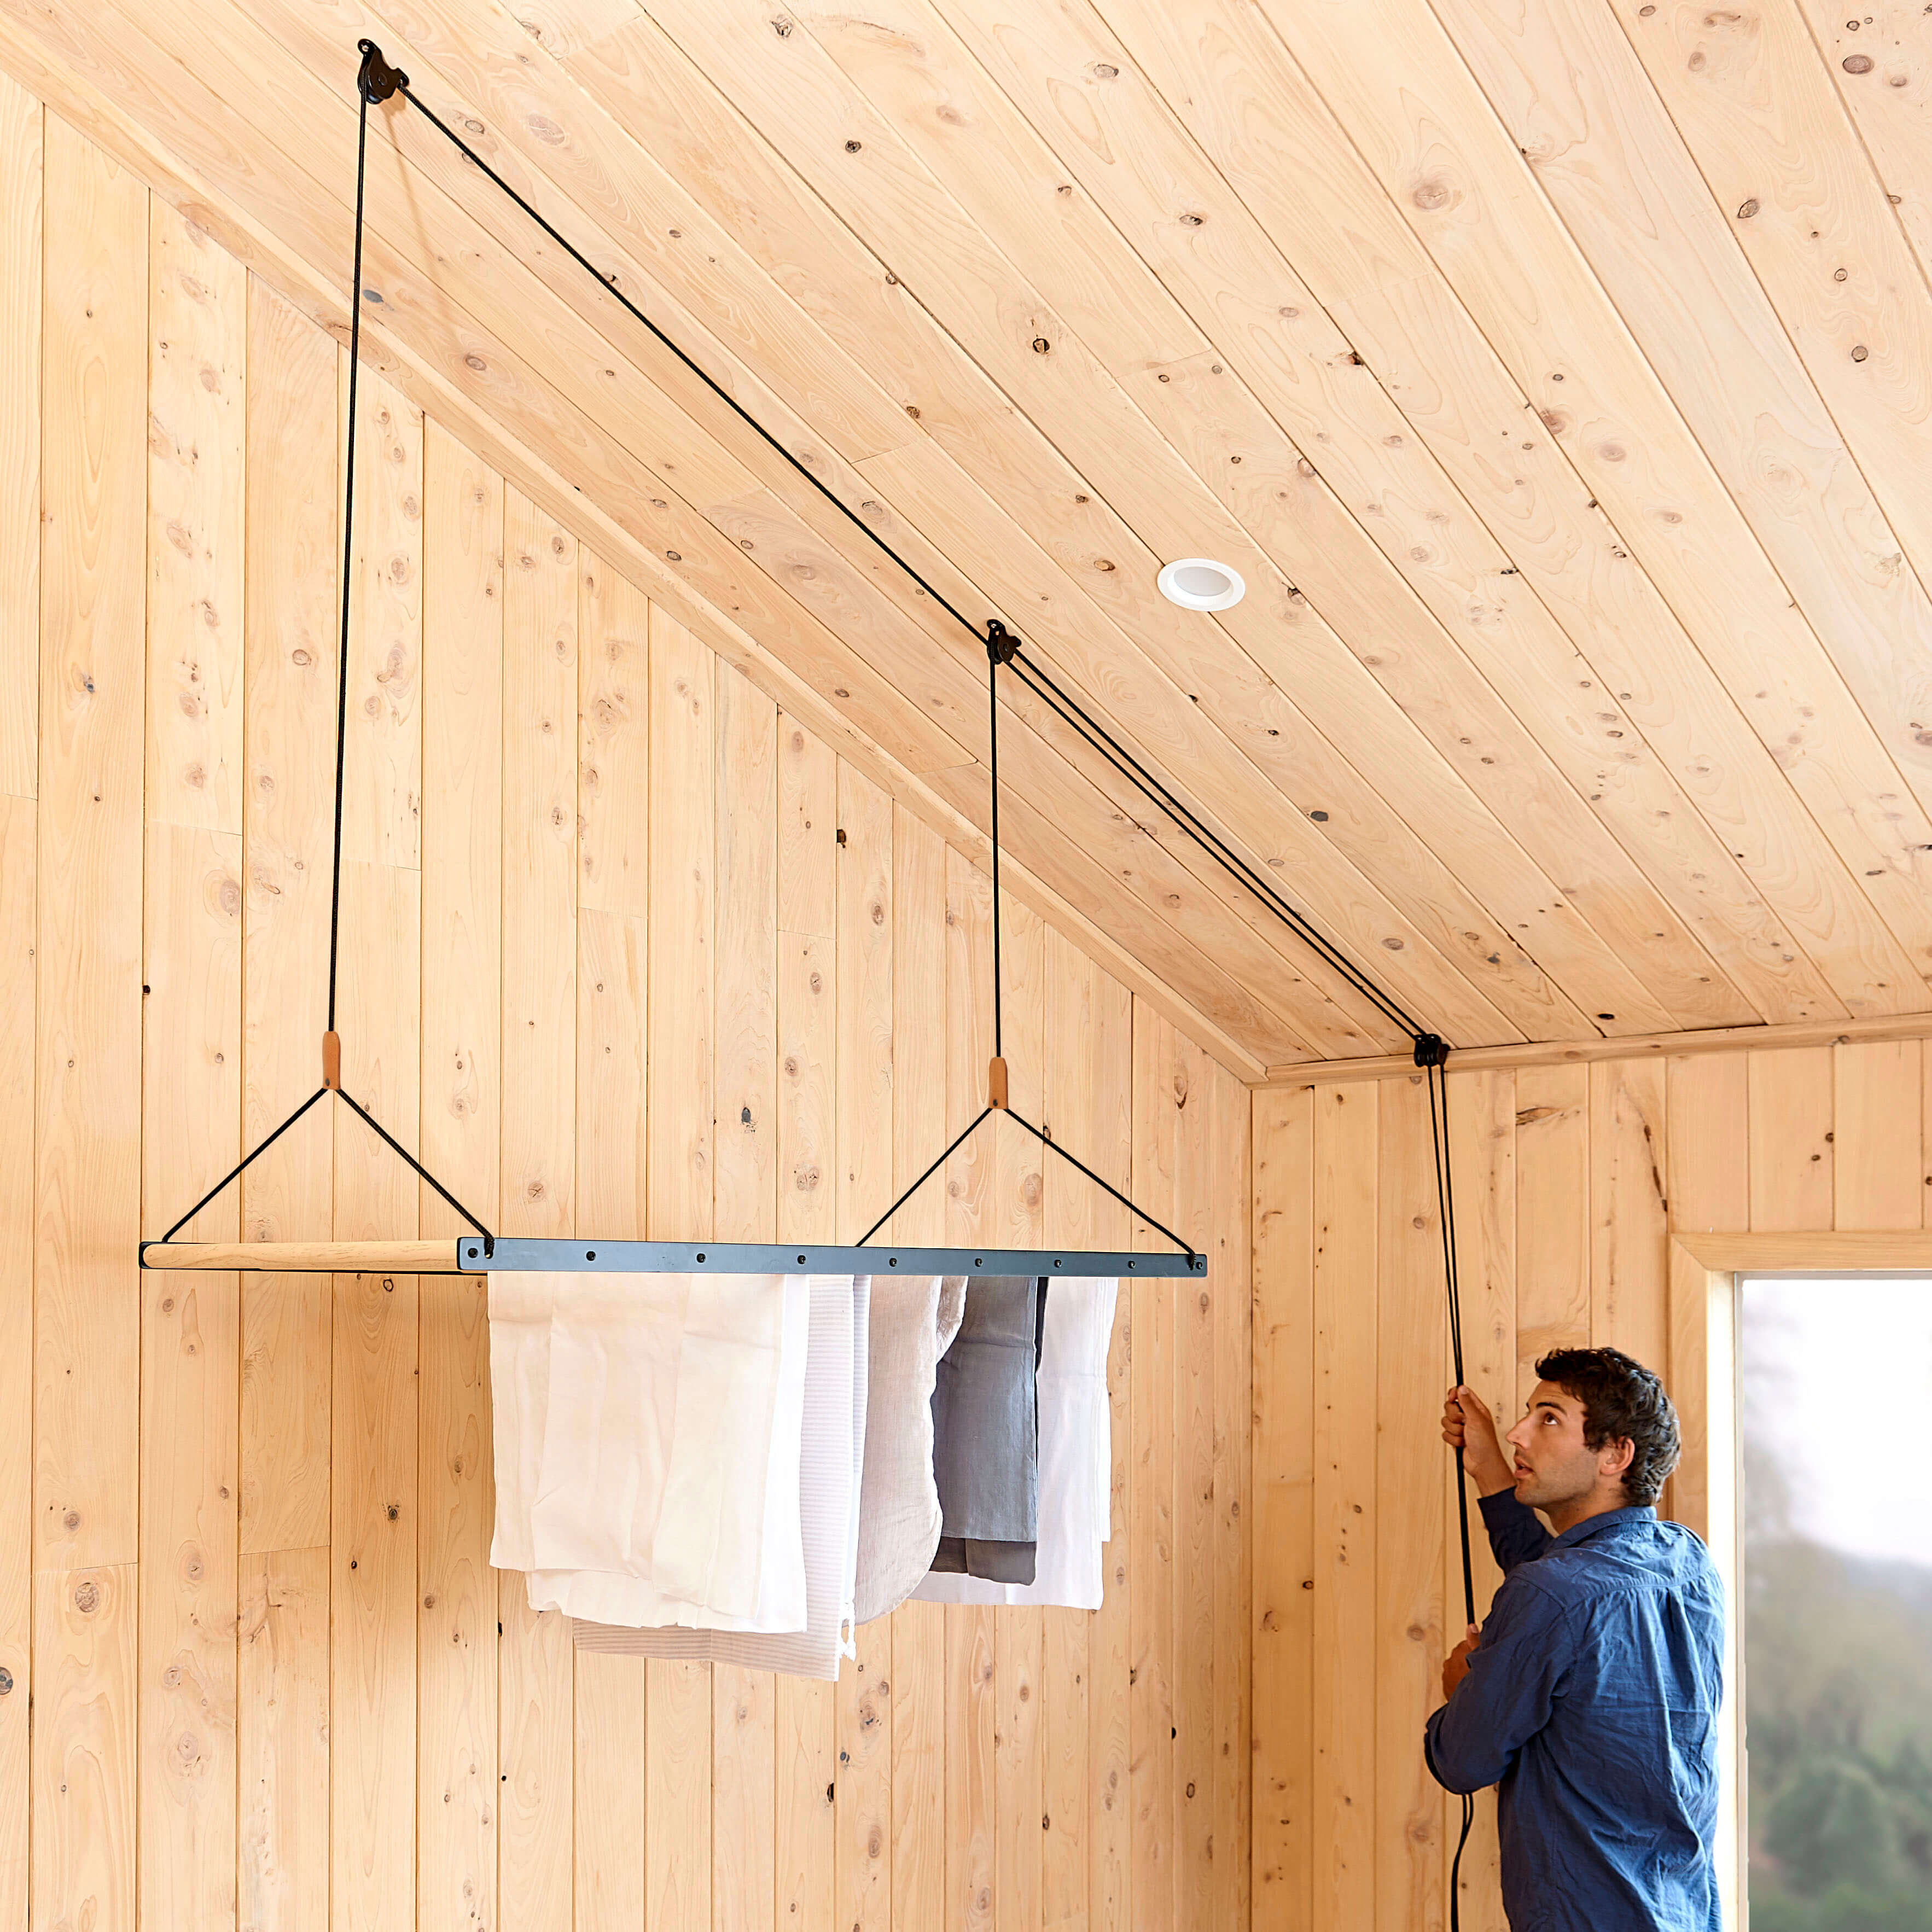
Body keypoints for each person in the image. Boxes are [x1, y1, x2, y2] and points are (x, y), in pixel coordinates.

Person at [1427, 1348, 1725, 1931]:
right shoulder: (1688, 1560)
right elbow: (1565, 1587)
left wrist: (1463, 1686)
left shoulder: (1555, 1593)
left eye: (1550, 1418)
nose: (1517, 1432)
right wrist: (1491, 1470)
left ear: (1616, 1454)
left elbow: (1460, 1761)